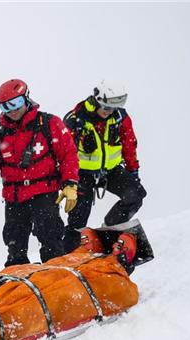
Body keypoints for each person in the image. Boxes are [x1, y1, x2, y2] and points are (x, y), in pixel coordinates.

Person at [0, 79, 80, 266]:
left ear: (26, 98)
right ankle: (19, 288)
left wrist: (70, 184)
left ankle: (57, 283)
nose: (12, 110)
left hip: (44, 194)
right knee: (14, 245)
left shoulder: (49, 123)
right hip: (14, 198)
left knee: (51, 241)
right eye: (4, 106)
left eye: (15, 103)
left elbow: (68, 155)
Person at [61, 80, 146, 253]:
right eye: (106, 108)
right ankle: (68, 256)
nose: (109, 112)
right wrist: (67, 181)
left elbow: (129, 144)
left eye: (113, 108)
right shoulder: (75, 120)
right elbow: (63, 153)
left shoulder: (120, 117)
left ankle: (109, 230)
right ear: (96, 101)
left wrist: (133, 171)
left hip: (111, 170)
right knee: (78, 219)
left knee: (136, 195)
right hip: (82, 174)